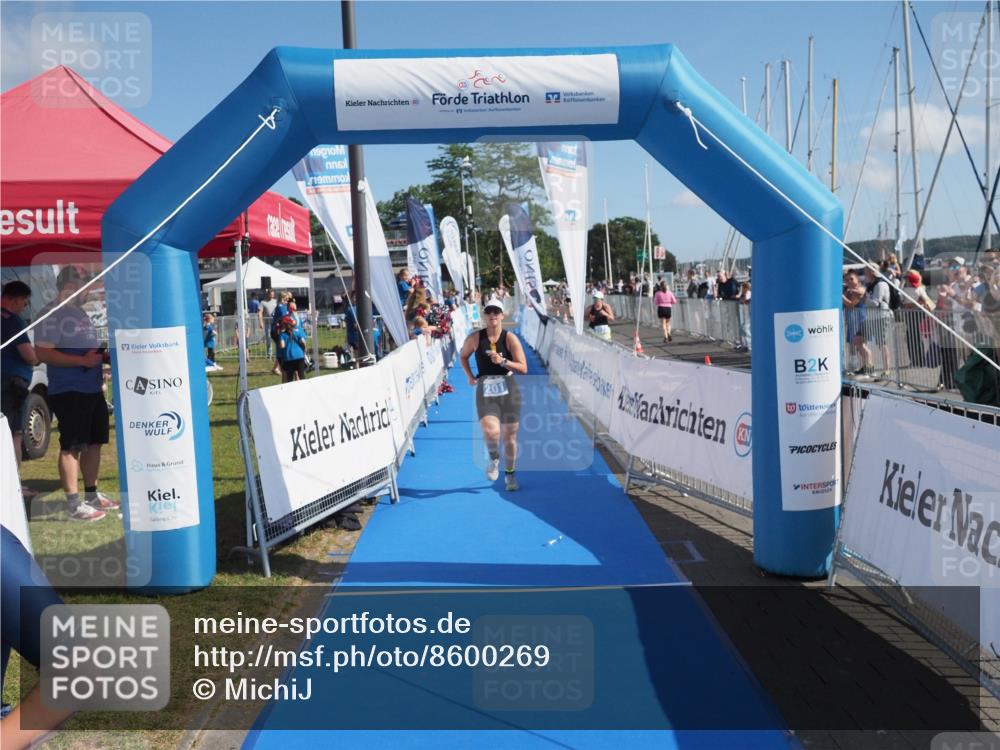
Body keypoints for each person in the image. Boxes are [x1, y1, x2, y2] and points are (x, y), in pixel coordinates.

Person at [34, 266, 118, 521]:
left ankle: (91, 494)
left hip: (91, 388)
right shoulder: (50, 314)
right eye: (85, 288)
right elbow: (43, 353)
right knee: (72, 445)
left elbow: (84, 349)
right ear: (70, 286)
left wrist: (101, 358)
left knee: (94, 443)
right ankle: (73, 505)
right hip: (69, 390)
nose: (88, 293)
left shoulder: (79, 313)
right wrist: (82, 362)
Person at [459, 297, 528, 491]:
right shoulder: (475, 338)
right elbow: (463, 356)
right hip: (485, 389)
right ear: (484, 315)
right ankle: (494, 458)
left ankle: (510, 474)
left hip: (509, 389)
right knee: (491, 432)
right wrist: (470, 376)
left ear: (502, 315)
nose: (492, 316)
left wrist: (503, 362)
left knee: (509, 438)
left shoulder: (510, 338)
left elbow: (523, 368)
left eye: (496, 312)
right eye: (488, 312)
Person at [1, 282, 40, 495]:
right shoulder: (12, 320)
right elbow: (28, 354)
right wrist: (37, 358)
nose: (25, 306)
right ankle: (13, 486)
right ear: (15, 298)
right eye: (25, 301)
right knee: (13, 435)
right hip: (10, 386)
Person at [276, 315, 307, 382]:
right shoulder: (298, 331)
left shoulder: (282, 334)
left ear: (284, 325)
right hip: (299, 355)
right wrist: (304, 350)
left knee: (290, 378)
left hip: (289, 357)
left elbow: (282, 346)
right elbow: (303, 342)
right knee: (302, 376)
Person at [259, 289, 278, 357]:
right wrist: (261, 322)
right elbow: (260, 312)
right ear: (268, 294)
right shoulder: (263, 302)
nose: (272, 296)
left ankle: (278, 352)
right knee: (268, 338)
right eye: (270, 294)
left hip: (276, 323)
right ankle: (269, 353)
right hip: (267, 323)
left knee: (277, 337)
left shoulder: (276, 301)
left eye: (273, 294)